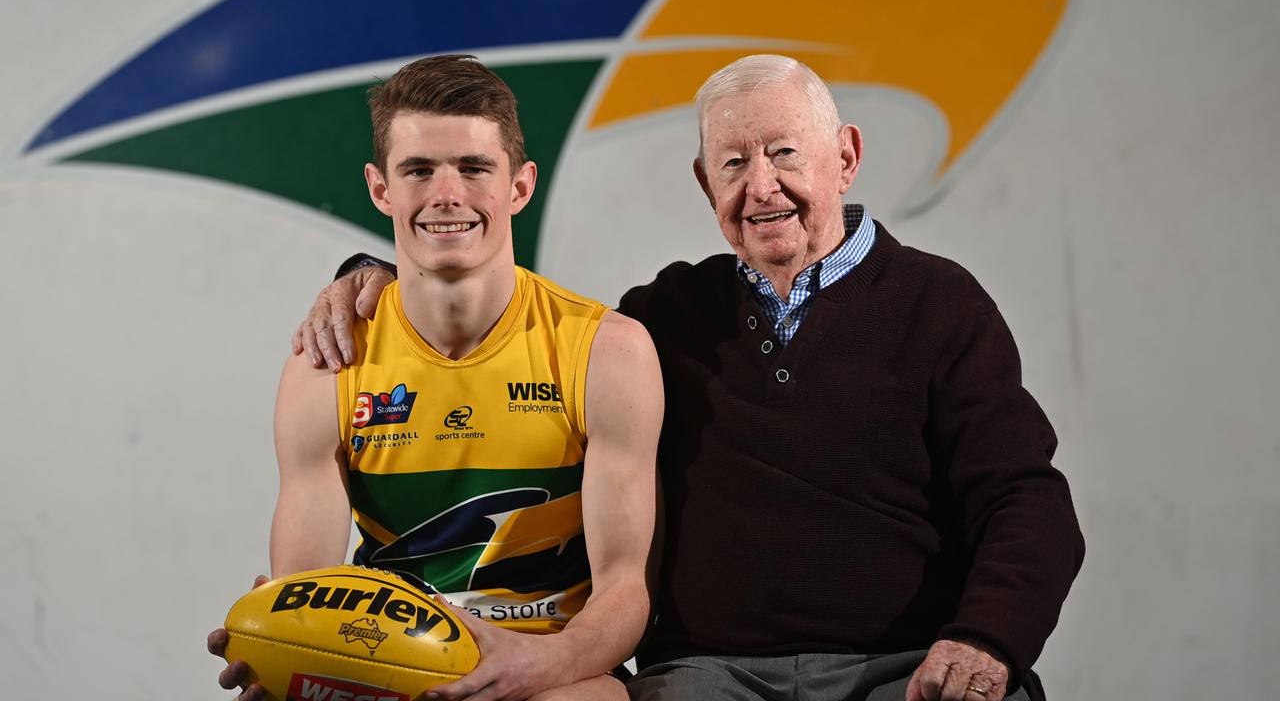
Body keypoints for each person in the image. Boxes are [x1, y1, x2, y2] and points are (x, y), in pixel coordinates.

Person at [296, 55, 1084, 701]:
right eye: (733, 163)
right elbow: (504, 317)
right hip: (708, 677)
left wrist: (985, 639)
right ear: (707, 185)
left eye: (783, 153)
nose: (761, 186)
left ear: (844, 157)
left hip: (906, 666)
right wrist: (374, 279)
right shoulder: (662, 317)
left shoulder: (939, 304)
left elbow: (1026, 496)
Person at [210, 54, 664, 701]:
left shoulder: (606, 353)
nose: (446, 195)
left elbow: (625, 590)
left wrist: (531, 668)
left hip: (549, 669)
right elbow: (306, 589)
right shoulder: (326, 366)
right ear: (380, 189)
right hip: (389, 666)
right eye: (418, 170)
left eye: (474, 169)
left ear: (519, 186)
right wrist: (280, 648)